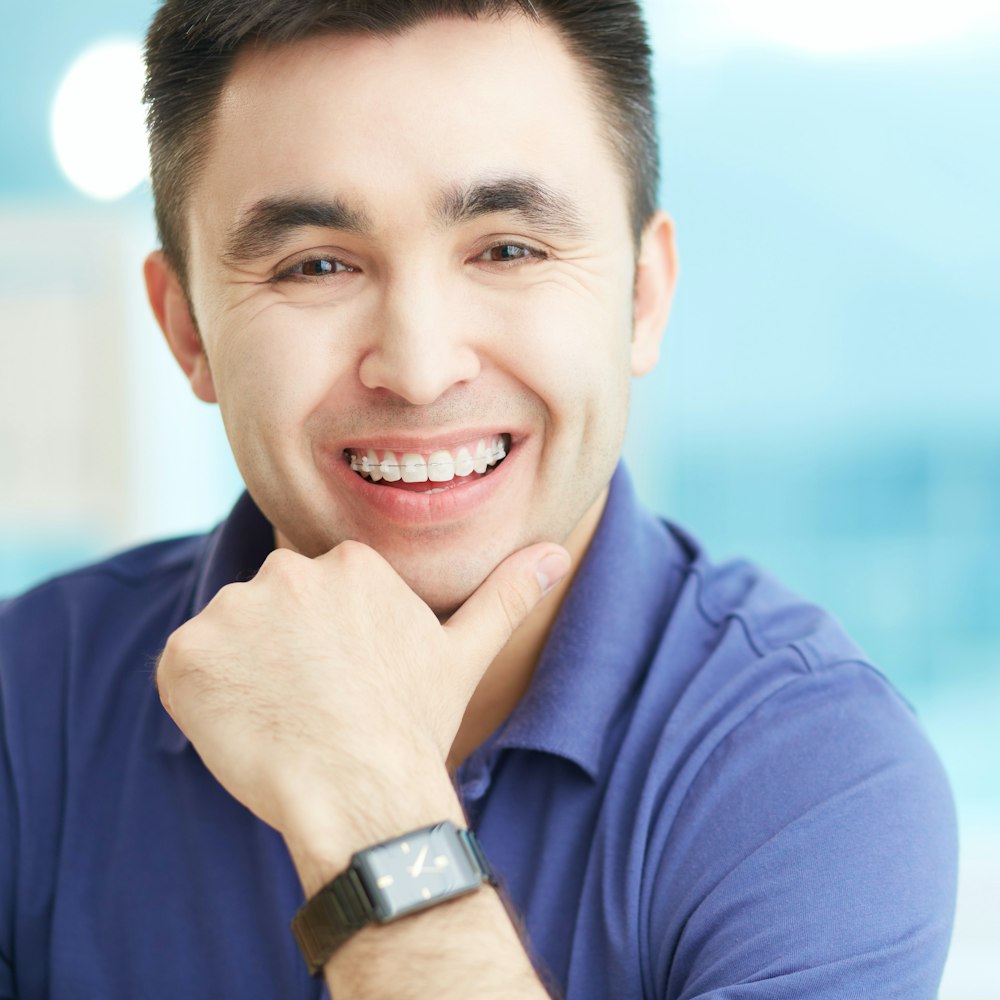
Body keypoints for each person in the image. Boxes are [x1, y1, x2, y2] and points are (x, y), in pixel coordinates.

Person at [0, 0, 957, 996]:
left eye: (507, 249)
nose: (418, 368)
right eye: (316, 264)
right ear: (187, 329)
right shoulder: (22, 710)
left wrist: (374, 808)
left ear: (641, 296)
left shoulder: (817, 775)